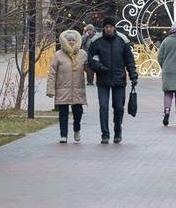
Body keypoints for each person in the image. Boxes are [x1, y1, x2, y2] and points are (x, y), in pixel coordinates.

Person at [87, 16, 138, 144]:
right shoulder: (96, 41)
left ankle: (117, 130)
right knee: (103, 106)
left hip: (119, 79)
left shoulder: (122, 40)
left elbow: (129, 60)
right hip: (102, 79)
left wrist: (133, 75)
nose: (109, 29)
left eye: (111, 26)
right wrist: (99, 67)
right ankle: (105, 134)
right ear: (104, 28)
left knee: (118, 107)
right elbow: (90, 59)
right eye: (106, 27)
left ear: (114, 27)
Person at [46, 30, 88, 143]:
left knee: (78, 111)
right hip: (62, 88)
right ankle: (63, 135)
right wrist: (50, 89)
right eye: (69, 40)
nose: (71, 42)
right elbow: (52, 72)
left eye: (73, 40)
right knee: (63, 112)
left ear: (77, 41)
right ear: (65, 41)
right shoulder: (58, 55)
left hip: (78, 89)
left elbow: (89, 69)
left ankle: (77, 129)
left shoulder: (82, 54)